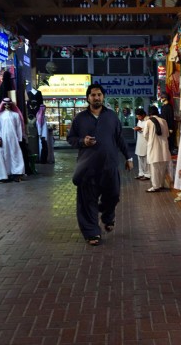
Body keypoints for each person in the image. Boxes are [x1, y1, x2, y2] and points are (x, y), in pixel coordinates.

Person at [67, 84, 133, 246]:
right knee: (87, 200)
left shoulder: (111, 117)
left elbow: (119, 138)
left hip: (109, 166)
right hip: (88, 167)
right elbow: (71, 138)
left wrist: (128, 158)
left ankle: (107, 216)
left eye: (99, 95)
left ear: (103, 97)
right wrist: (83, 141)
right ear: (88, 97)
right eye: (93, 95)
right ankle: (92, 233)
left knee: (114, 195)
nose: (96, 98)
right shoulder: (80, 118)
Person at [0, 98, 25, 182]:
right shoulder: (0, 115)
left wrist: (19, 138)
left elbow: (19, 127)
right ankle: (6, 173)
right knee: (5, 154)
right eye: (5, 104)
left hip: (14, 138)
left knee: (15, 154)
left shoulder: (15, 115)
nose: (7, 105)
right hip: (3, 138)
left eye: (8, 104)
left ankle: (17, 172)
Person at [143, 105, 171, 193]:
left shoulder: (148, 122)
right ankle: (162, 184)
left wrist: (150, 140)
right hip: (164, 148)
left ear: (150, 113)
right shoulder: (164, 121)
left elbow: (145, 135)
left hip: (153, 147)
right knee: (162, 167)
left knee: (154, 168)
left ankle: (155, 186)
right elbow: (167, 134)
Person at [133, 108, 150, 181]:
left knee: (145, 158)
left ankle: (147, 174)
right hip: (139, 141)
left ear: (143, 115)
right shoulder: (139, 120)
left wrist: (141, 129)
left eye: (139, 116)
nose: (138, 118)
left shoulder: (148, 120)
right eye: (137, 116)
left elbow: (149, 131)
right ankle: (141, 173)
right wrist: (138, 128)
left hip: (145, 141)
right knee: (139, 158)